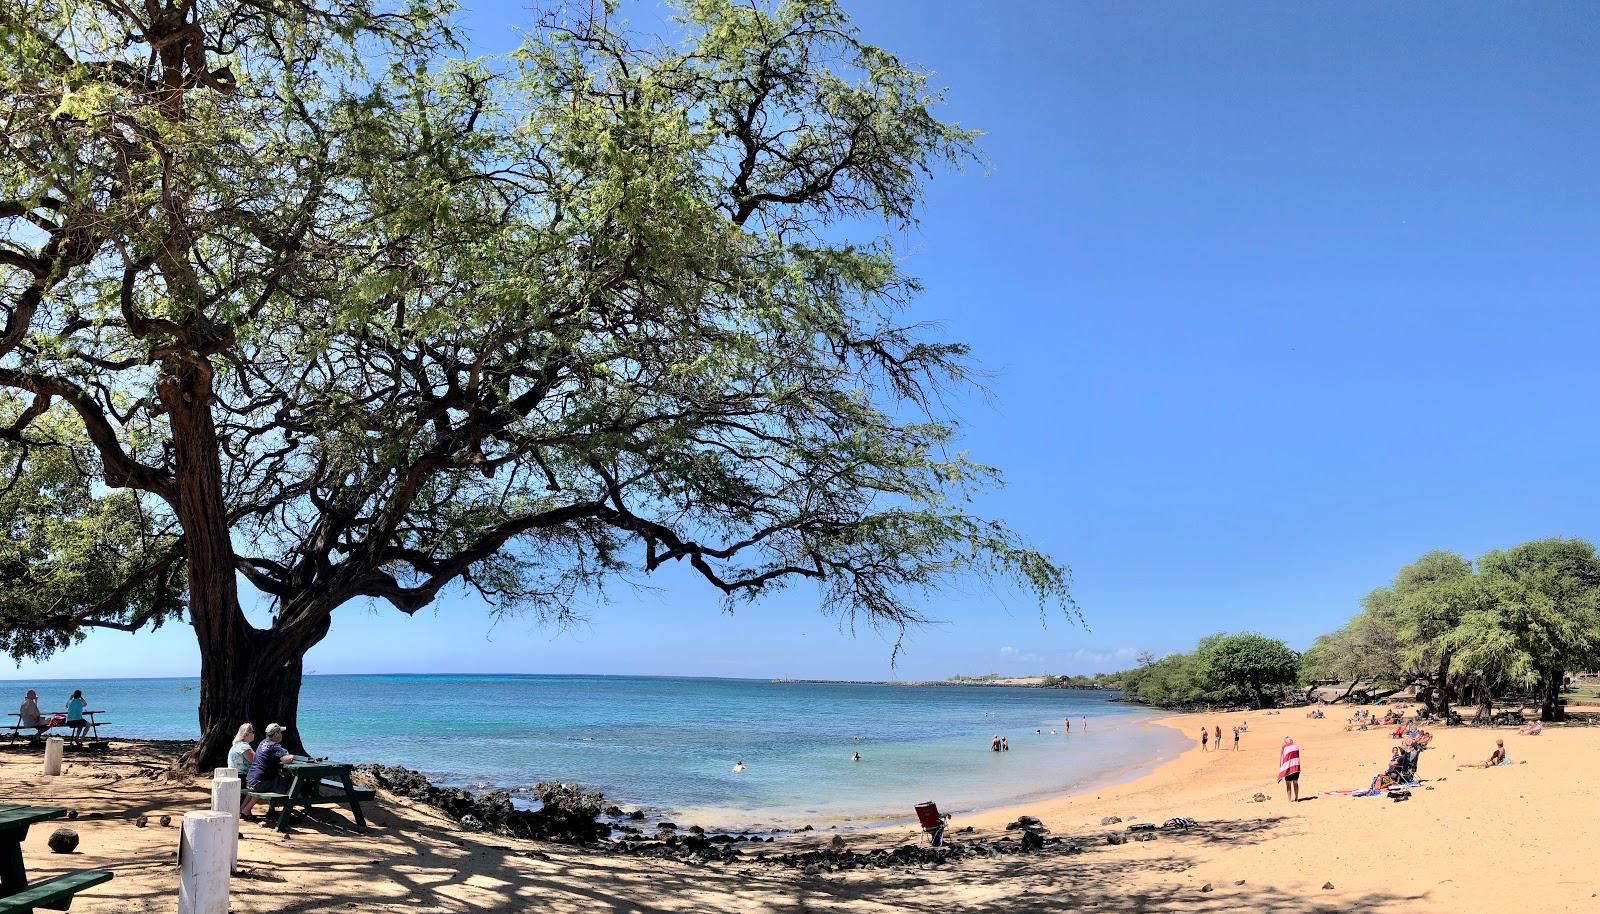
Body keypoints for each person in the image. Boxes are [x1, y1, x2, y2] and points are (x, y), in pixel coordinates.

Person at [246, 723, 297, 795]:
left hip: (251, 782)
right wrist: (293, 757)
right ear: (276, 734)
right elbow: (286, 759)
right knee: (289, 779)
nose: (282, 734)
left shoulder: (262, 742)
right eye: (280, 732)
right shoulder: (274, 746)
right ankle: (285, 802)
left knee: (278, 777)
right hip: (259, 784)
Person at [228, 723, 259, 815]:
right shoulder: (244, 746)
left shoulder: (237, 744)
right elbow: (256, 761)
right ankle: (244, 810)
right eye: (252, 732)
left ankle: (243, 809)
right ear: (246, 734)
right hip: (242, 777)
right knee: (261, 784)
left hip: (235, 775)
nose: (254, 734)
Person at [1278, 737, 1301, 801]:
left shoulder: (1284, 747)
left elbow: (1282, 757)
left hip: (1288, 768)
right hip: (1296, 767)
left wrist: (1282, 768)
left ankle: (1289, 799)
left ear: (1286, 742)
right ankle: (1296, 798)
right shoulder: (1296, 746)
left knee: (1288, 784)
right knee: (1295, 782)